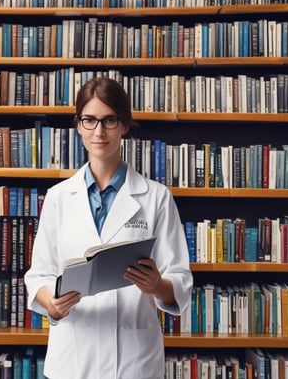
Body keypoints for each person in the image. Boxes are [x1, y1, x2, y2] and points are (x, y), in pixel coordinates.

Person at [24, 77, 193, 379]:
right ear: (78, 125)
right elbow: (39, 274)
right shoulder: (58, 198)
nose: (99, 131)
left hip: (133, 362)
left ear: (125, 125)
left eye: (109, 120)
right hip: (73, 359)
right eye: (89, 120)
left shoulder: (155, 198)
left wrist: (156, 286)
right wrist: (52, 303)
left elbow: (179, 277)